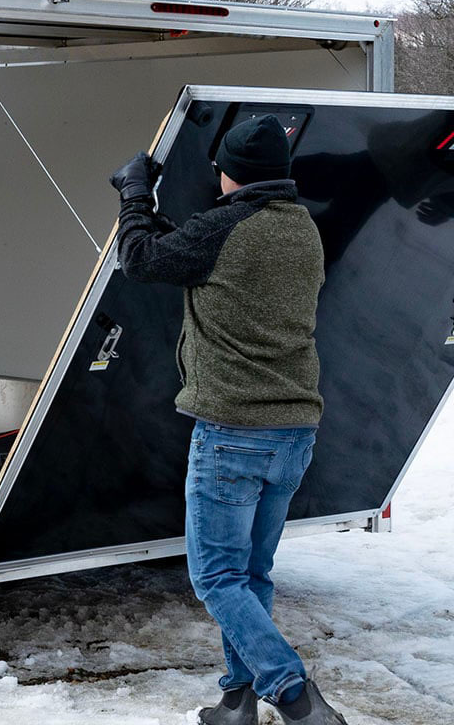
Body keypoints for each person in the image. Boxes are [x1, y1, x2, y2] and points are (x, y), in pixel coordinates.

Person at [108, 115, 348, 724]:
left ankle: (292, 693)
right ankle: (237, 702)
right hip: (293, 434)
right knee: (251, 575)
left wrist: (135, 194)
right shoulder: (302, 229)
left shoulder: (224, 228)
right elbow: (189, 256)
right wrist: (153, 212)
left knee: (216, 578)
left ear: (230, 174)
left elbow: (140, 259)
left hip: (232, 435)